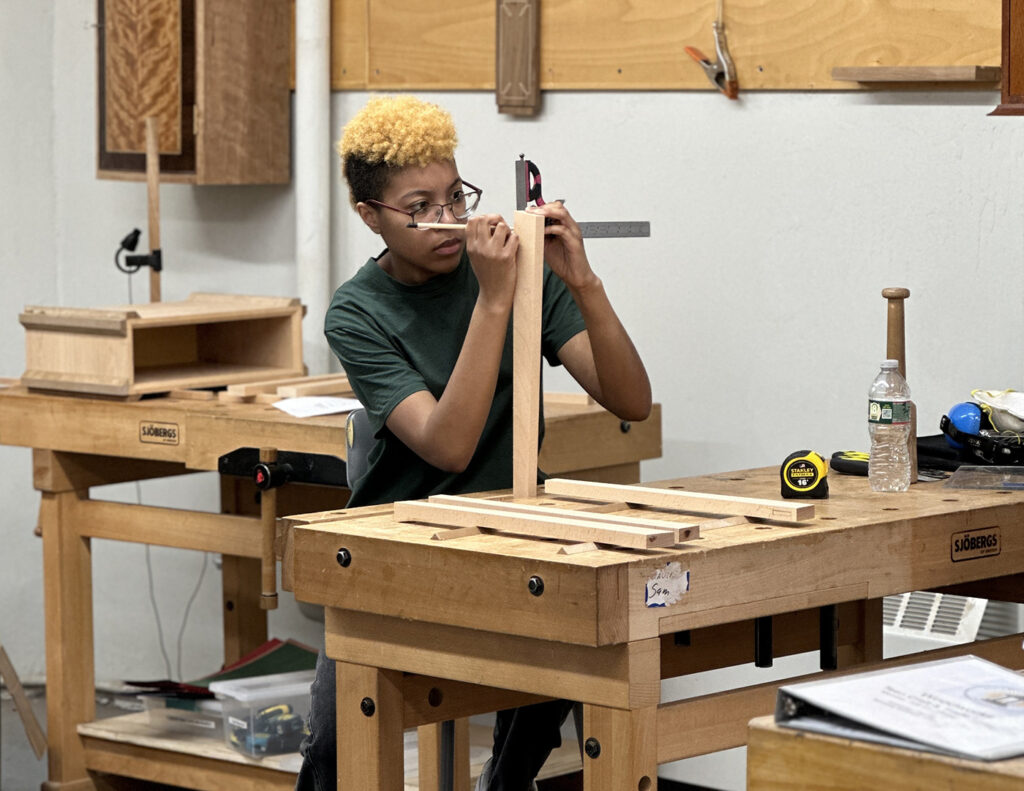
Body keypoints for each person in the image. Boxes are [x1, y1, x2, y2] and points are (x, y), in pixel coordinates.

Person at [295, 94, 651, 791]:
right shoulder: (358, 312)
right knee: (337, 750)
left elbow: (630, 400)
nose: (449, 219)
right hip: (396, 546)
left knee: (576, 654)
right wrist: (494, 299)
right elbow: (448, 446)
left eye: (456, 196)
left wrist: (582, 281)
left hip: (512, 531)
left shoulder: (521, 272)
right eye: (420, 207)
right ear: (370, 215)